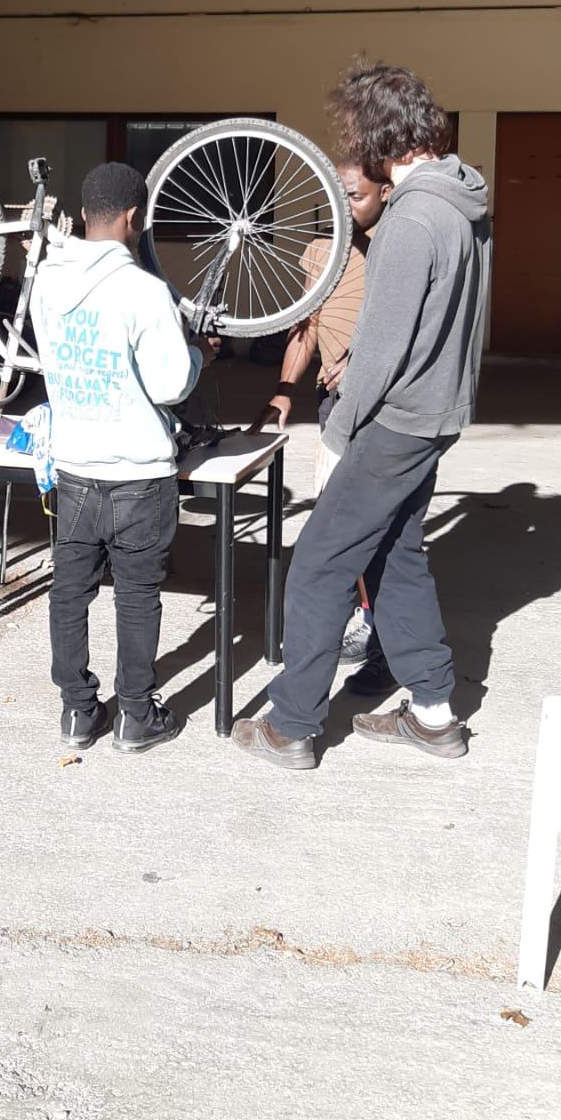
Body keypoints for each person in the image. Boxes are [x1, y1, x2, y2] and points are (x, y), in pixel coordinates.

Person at [233, 62, 491, 770]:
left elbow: (379, 346)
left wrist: (341, 429)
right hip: (437, 414)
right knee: (395, 556)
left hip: (395, 420)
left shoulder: (412, 217)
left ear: (377, 136)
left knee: (318, 565)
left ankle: (292, 726)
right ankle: (434, 716)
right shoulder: (466, 202)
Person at [31, 161, 217, 756]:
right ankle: (136, 716)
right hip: (139, 474)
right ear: (136, 217)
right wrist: (199, 354)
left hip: (75, 469)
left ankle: (77, 712)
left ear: (85, 214)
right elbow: (170, 385)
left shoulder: (45, 281)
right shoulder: (144, 291)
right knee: (136, 596)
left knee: (69, 591)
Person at [252, 159, 390, 678]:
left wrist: (361, 362)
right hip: (333, 404)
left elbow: (406, 328)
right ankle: (367, 618)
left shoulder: (393, 248)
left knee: (383, 528)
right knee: (338, 519)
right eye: (336, 194)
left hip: (382, 406)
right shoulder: (319, 251)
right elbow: (307, 326)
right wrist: (285, 391)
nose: (343, 205)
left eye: (354, 195)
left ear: (384, 191)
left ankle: (382, 638)